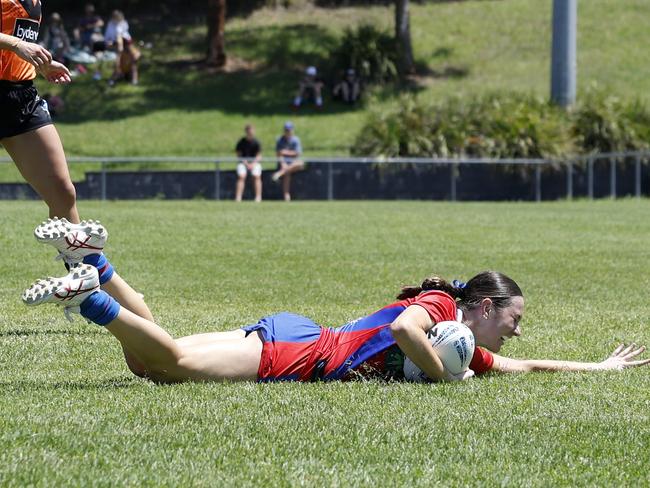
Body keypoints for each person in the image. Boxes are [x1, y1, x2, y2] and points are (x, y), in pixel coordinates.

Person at [23, 220, 650, 384]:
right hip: (306, 351)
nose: (515, 334)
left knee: (151, 361)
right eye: (513, 321)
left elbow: (527, 367)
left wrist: (599, 366)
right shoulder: (437, 309)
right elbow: (407, 333)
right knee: (175, 366)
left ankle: (96, 265)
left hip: (301, 333)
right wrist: (438, 373)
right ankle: (88, 300)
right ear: (482, 307)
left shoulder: (464, 349)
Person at [1, 2, 155, 342]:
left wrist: (38, 62)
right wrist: (17, 46)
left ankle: (87, 283)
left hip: (19, 97)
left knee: (63, 192)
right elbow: (14, 40)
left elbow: (17, 37)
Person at [104, 10, 139, 86]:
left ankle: (134, 79)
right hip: (116, 43)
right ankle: (114, 78)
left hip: (126, 43)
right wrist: (110, 42)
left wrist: (120, 45)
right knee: (118, 63)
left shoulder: (123, 23)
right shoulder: (110, 24)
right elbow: (108, 37)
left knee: (133, 60)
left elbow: (120, 34)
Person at [272, 121, 304, 202]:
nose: (287, 131)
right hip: (284, 164)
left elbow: (297, 153)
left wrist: (284, 152)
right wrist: (283, 163)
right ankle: (286, 196)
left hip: (294, 163)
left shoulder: (296, 140)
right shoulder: (280, 140)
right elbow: (279, 154)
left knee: (300, 163)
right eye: (286, 130)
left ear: (292, 130)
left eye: (289, 130)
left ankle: (279, 173)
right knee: (287, 173)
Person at [234, 124, 263, 202]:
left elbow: (259, 156)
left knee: (257, 176)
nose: (250, 132)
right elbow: (239, 155)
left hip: (254, 163)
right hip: (243, 163)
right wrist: (246, 164)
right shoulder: (241, 142)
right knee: (241, 176)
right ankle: (238, 197)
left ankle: (258, 197)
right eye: (249, 131)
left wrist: (253, 164)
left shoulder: (257, 142)